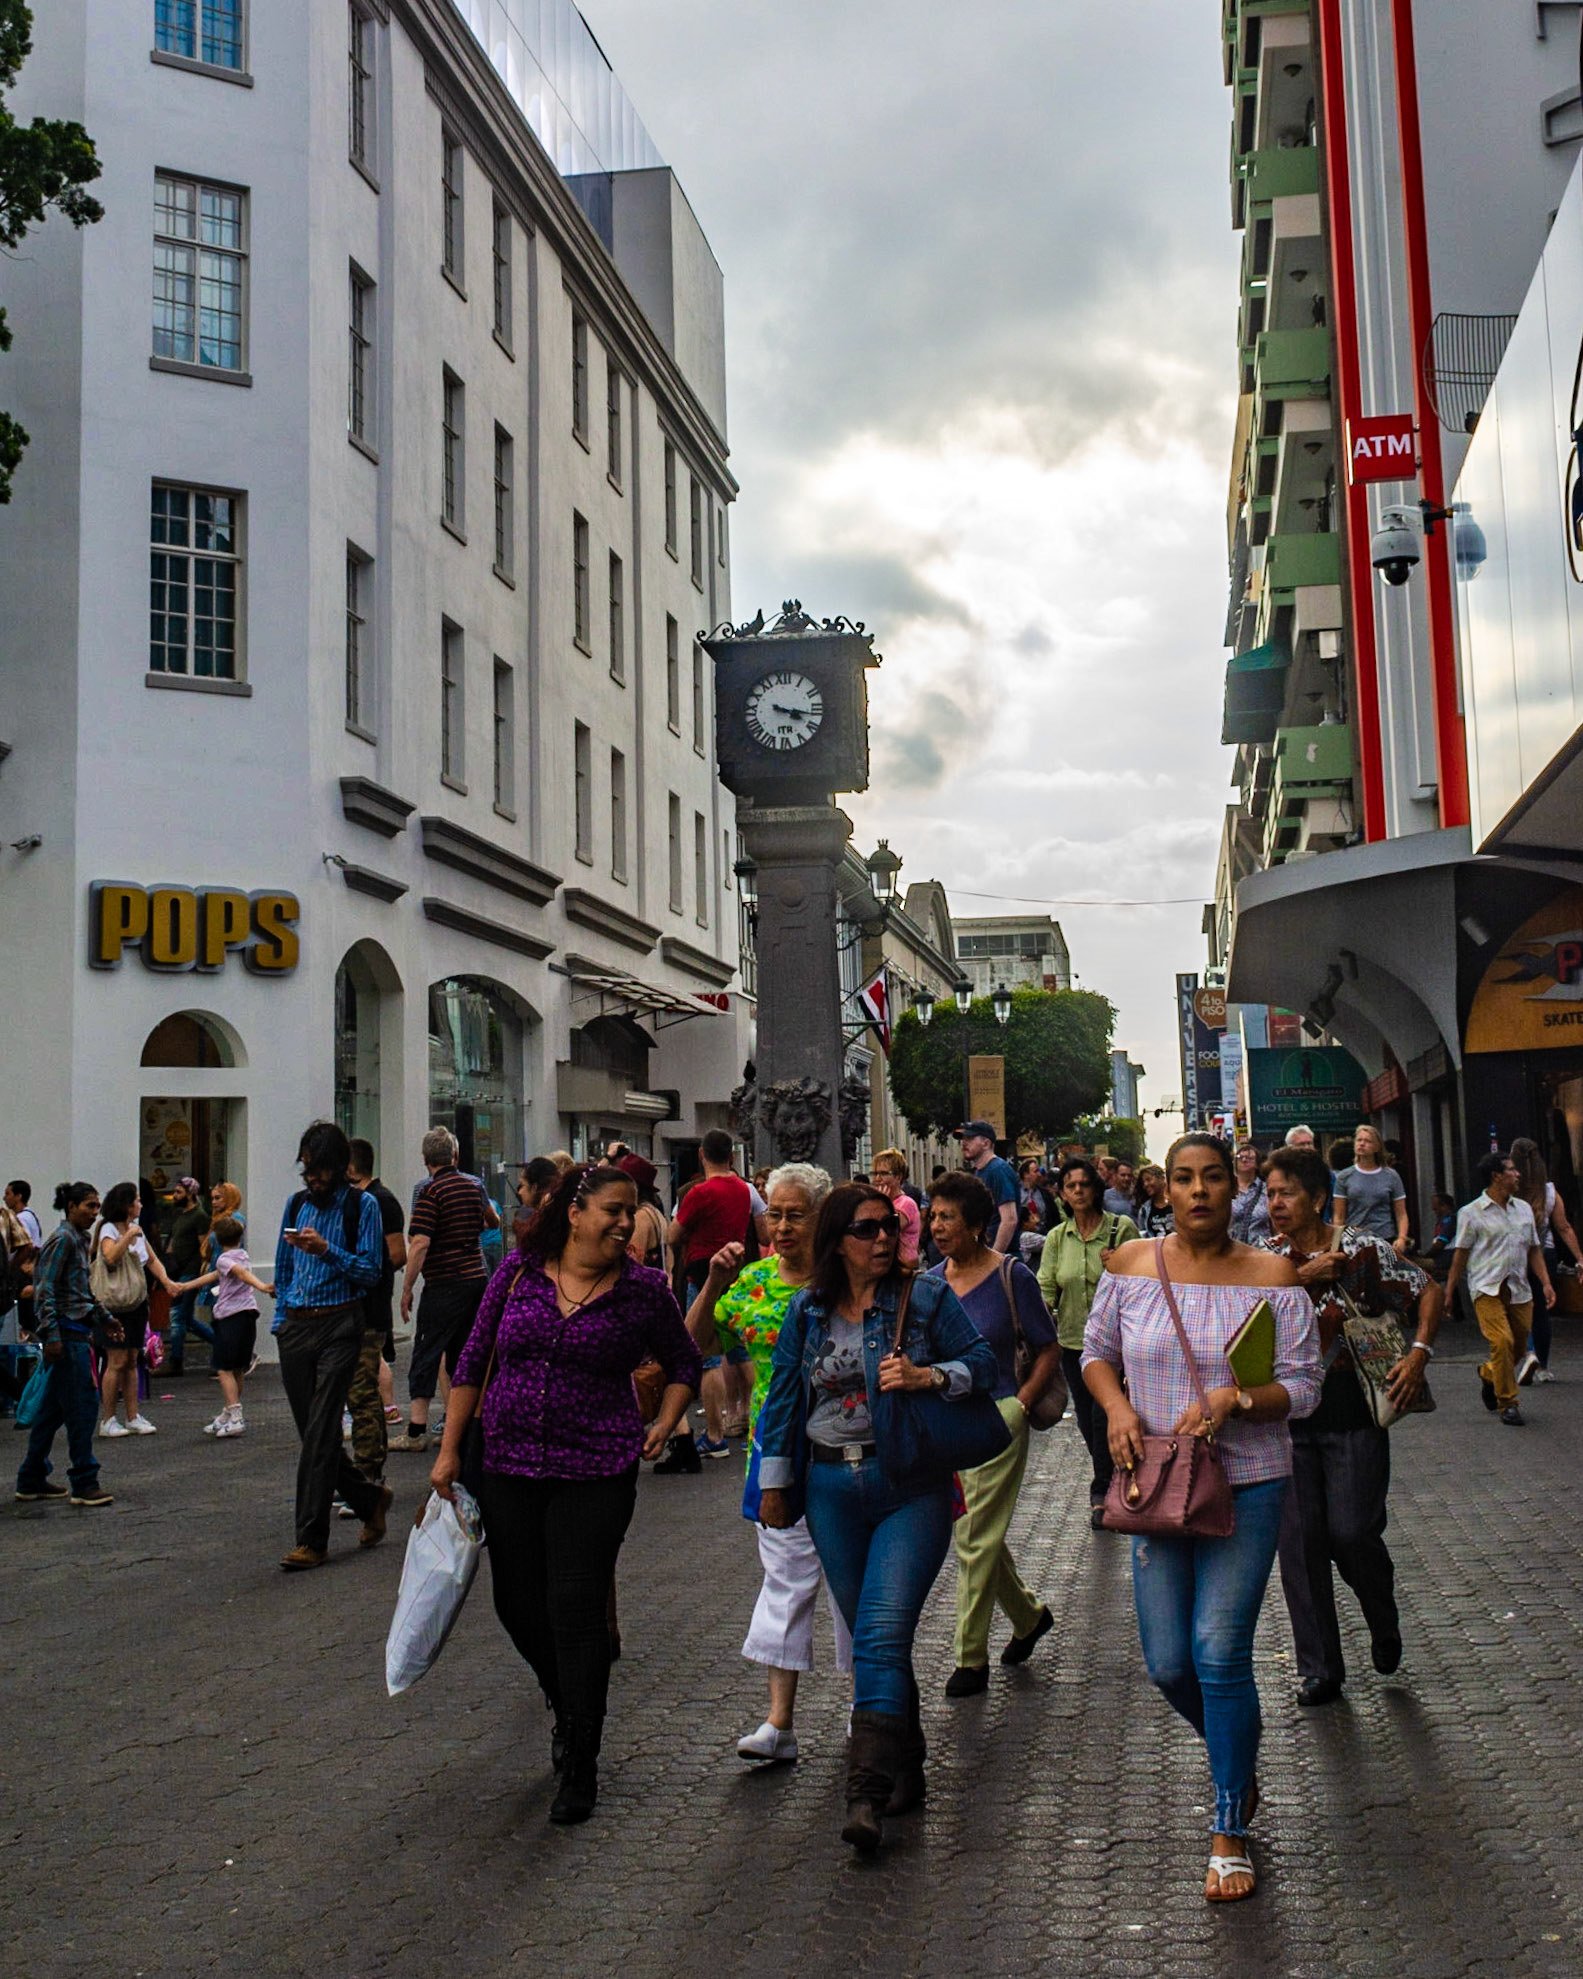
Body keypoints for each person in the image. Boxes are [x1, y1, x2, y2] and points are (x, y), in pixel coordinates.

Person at [1082, 1135, 1320, 1903]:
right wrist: (1117, 1408)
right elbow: (1095, 1352)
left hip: (1247, 1483)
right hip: (1155, 1487)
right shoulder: (1128, 1266)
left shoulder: (1273, 1276)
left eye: (1212, 1178)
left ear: (1233, 1186)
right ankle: (1237, 1760)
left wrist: (1234, 1399)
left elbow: (1304, 1385)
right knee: (1169, 1664)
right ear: (1167, 1190)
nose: (1197, 1192)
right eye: (1182, 1179)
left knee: (1217, 1652)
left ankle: (1227, 1827)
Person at [430, 1164, 701, 1824]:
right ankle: (563, 1692)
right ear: (574, 1212)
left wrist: (665, 1419)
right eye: (611, 1208)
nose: (623, 1221)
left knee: (576, 1605)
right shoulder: (519, 1271)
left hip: (596, 1469)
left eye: (630, 1211)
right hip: (510, 1463)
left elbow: (685, 1360)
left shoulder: (642, 1289)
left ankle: (580, 1758)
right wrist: (448, 1449)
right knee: (517, 1601)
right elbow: (472, 1361)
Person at [756, 1182, 998, 1854]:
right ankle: (906, 1761)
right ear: (837, 1239)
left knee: (882, 1633)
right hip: (830, 1486)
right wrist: (774, 1485)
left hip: (907, 1484)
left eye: (891, 1225)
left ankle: (864, 1789)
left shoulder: (924, 1297)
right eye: (867, 1228)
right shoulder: (807, 1310)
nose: (885, 1238)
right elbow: (780, 1399)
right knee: (872, 1636)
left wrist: (929, 1376)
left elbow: (984, 1363)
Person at [685, 1162, 852, 1766]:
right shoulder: (752, 1281)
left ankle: (869, 1708)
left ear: (822, 1217)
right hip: (774, 1450)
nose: (780, 1226)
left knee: (851, 1583)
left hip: (845, 1448)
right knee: (785, 1578)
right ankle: (779, 1722)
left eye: (795, 1214)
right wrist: (710, 1284)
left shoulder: (850, 1279)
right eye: (774, 1214)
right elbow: (696, 1344)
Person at [1262, 1146, 1440, 1707]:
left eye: (1285, 1192)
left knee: (1352, 1532)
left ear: (1318, 1198)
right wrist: (1302, 1276)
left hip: (1355, 1416)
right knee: (1301, 1542)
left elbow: (1426, 1289)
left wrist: (1417, 1354)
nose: (1275, 1204)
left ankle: (1381, 1616)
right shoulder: (1263, 1259)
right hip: (1288, 1419)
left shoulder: (1363, 1250)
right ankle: (1320, 1668)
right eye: (1269, 1194)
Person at [926, 1169, 1061, 1696]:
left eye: (948, 1217)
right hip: (947, 1420)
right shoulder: (931, 1282)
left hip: (1001, 1413)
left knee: (974, 1534)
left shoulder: (1012, 1276)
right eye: (933, 1216)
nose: (937, 1226)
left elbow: (1048, 1347)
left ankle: (969, 1659)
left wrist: (1021, 1405)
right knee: (976, 1533)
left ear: (978, 1225)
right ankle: (1028, 1618)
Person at [272, 1121, 393, 1569]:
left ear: (341, 1167)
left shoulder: (363, 1207)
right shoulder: (296, 1204)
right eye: (307, 1169)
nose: (313, 1178)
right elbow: (284, 1265)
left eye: (321, 1170)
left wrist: (326, 1250)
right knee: (313, 1435)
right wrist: (282, 1320)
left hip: (341, 1324)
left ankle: (311, 1539)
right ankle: (370, 1497)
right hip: (297, 1329)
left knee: (322, 1431)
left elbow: (370, 1271)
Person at [1037, 1156, 1138, 1527]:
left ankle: (1101, 1493)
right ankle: (1115, 1477)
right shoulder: (1056, 1238)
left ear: (1096, 1188)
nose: (1078, 1191)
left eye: (1084, 1184)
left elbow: (1144, 1281)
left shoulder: (1120, 1229)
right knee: (1086, 1419)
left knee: (1102, 1415)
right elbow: (1046, 1284)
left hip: (1116, 1346)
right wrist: (1037, 1312)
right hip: (1072, 1342)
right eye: (1070, 1186)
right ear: (1062, 1193)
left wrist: (1121, 1265)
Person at [15, 1182, 114, 1507]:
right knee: (83, 1410)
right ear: (70, 1206)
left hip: (75, 1331)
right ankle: (85, 1482)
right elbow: (44, 1290)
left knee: (51, 1412)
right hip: (67, 1337)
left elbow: (80, 1291)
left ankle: (31, 1479)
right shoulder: (62, 1240)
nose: (94, 1212)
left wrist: (104, 1318)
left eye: (97, 1206)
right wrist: (52, 1334)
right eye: (88, 1205)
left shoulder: (79, 1239)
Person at [392, 1128, 490, 1456]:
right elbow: (491, 1220)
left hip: (444, 1284)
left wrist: (407, 1288)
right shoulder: (475, 1185)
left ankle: (416, 1429)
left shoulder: (430, 1192)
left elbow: (419, 1242)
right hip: (476, 1280)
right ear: (455, 1156)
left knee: (427, 1352)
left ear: (425, 1160)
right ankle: (465, 1425)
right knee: (464, 1354)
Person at [1445, 1151, 1555, 1426]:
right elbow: (1460, 1254)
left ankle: (1489, 1373)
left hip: (1519, 1288)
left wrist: (1546, 1283)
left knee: (1518, 1345)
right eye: (1512, 1170)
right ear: (1497, 1176)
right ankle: (1508, 1402)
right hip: (1486, 1288)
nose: (1517, 1175)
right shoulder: (1470, 1213)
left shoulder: (1523, 1209)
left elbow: (1533, 1249)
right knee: (1501, 1341)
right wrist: (1449, 1292)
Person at [668, 1129, 756, 1461]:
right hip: (736, 1270)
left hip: (704, 1274)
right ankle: (755, 1422)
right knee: (740, 1350)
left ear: (703, 1156)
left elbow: (673, 1234)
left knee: (704, 1356)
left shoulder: (700, 1193)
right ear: (732, 1156)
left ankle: (716, 1434)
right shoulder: (743, 1190)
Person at [92, 1182, 182, 1437]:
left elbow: (152, 1260)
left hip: (135, 1302)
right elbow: (110, 1257)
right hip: (114, 1304)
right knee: (116, 1360)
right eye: (137, 1201)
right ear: (127, 1205)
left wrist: (167, 1283)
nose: (141, 1205)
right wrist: (128, 1237)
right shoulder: (108, 1229)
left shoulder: (136, 1230)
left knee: (132, 1360)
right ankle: (108, 1418)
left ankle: (133, 1415)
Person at [345, 1139, 407, 1484]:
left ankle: (369, 1473)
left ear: (351, 1168)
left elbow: (398, 1253)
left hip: (370, 1306)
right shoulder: (352, 1201)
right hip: (351, 1308)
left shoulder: (381, 1201)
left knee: (364, 1387)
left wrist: (364, 1269)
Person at [183, 1215, 272, 1436]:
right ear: (240, 1237)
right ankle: (228, 1412)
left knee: (223, 1367)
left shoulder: (224, 1259)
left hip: (230, 1317)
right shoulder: (242, 1255)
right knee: (237, 1368)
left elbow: (240, 1275)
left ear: (215, 1239)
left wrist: (262, 1286)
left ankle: (235, 1415)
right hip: (247, 1314)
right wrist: (184, 1287)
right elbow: (214, 1276)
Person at [1510, 1137, 1583, 1384]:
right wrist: (1580, 1258)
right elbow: (1563, 1227)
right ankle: (1542, 1366)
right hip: (1545, 1254)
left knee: (1519, 1306)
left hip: (1514, 1257)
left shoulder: (1507, 1191)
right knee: (1540, 1311)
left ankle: (1528, 1353)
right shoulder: (1550, 1192)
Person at [163, 1176, 215, 1375]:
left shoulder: (199, 1216)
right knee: (186, 1319)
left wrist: (202, 1270)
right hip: (178, 1272)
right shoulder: (182, 1216)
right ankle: (223, 1346)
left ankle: (176, 1361)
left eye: (179, 1192)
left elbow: (204, 1246)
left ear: (191, 1194)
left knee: (177, 1317)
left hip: (190, 1273)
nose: (175, 1196)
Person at [1332, 1125, 1409, 1255]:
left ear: (1377, 1147)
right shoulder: (1344, 1177)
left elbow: (1401, 1213)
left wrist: (1402, 1238)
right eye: (1359, 1140)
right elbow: (1339, 1216)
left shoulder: (1391, 1176)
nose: (1362, 1144)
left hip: (1384, 1237)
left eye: (1367, 1141)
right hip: (1354, 1239)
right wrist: (1335, 1244)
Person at [957, 1121, 1018, 1254]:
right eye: (963, 1139)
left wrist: (994, 1258)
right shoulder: (980, 1172)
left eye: (970, 1138)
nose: (964, 1143)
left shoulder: (998, 1170)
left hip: (1003, 1259)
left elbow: (1010, 1220)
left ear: (986, 1143)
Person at [871, 1150, 921, 1266]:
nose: (877, 1178)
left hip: (904, 1267)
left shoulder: (906, 1204)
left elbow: (886, 1230)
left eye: (883, 1174)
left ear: (898, 1177)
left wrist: (881, 1203)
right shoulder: (886, 1201)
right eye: (875, 1174)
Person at [1230, 1143, 1270, 1245]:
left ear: (1257, 1164)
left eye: (1249, 1157)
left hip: (1261, 1252)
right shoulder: (1227, 1189)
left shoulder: (1267, 1189)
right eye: (1240, 1157)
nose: (1244, 1160)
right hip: (1232, 1252)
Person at [1135, 1163, 1173, 1238]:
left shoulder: (1177, 1202)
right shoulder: (1144, 1210)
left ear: (1161, 1178)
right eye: (1143, 1182)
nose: (1146, 1184)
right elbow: (1143, 1234)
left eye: (1148, 1179)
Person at [5, 1179, 42, 1249]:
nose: (4, 1198)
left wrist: (14, 1260)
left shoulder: (21, 1218)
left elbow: (26, 1247)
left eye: (8, 1194)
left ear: (18, 1196)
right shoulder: (30, 1216)